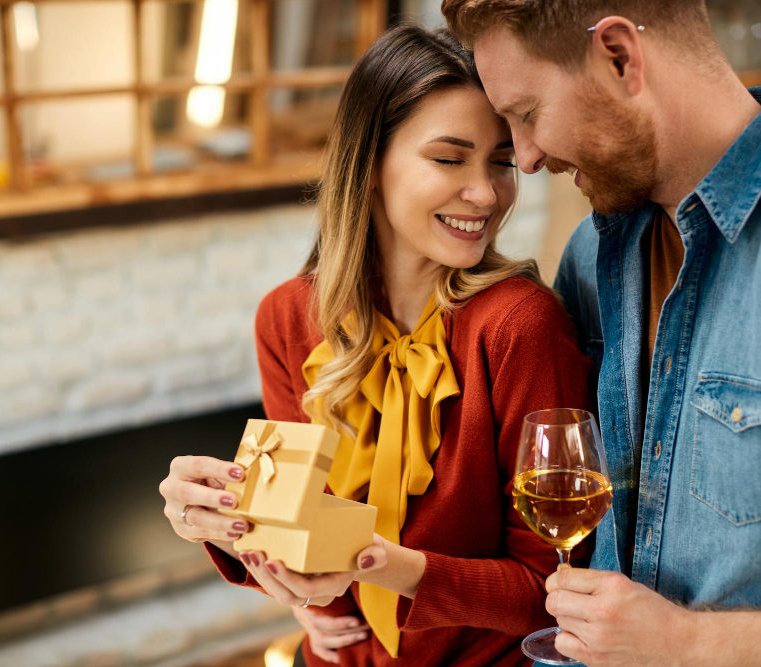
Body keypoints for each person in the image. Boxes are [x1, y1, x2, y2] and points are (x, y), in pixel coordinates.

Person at [158, 25, 593, 666]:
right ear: (367, 164)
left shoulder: (520, 328)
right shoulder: (287, 319)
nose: (486, 193)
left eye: (500, 162)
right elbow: (315, 573)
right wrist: (226, 526)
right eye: (449, 158)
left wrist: (380, 565)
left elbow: (551, 595)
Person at [440, 1, 761, 665]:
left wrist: (688, 643)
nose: (527, 155)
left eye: (525, 114)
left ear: (620, 57)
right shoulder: (592, 253)